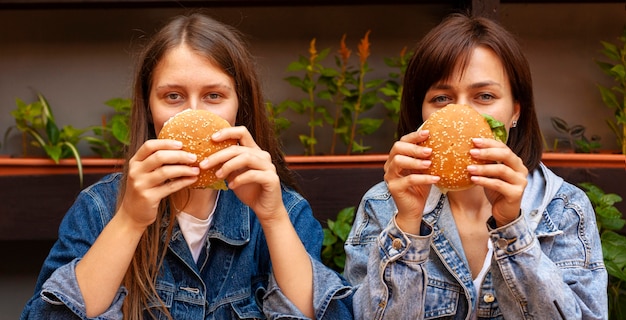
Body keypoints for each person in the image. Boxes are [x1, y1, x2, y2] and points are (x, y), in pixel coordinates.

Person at [21, 12, 352, 320]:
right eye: (173, 96)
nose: (193, 115)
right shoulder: (99, 208)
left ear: (240, 107)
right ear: (149, 108)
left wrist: (273, 218)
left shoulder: (286, 212)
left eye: (213, 96)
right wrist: (130, 220)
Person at [343, 13, 607, 319]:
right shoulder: (383, 205)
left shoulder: (565, 209)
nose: (462, 114)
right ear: (421, 114)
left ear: (515, 111)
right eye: (442, 98)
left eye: (484, 95)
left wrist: (512, 228)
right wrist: (407, 224)